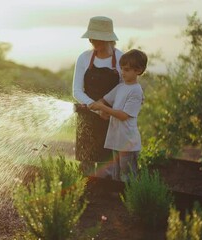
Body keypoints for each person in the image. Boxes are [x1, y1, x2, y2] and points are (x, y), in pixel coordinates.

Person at [73, 16, 124, 178]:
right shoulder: (84, 58)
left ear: (108, 39)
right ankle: (86, 199)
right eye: (91, 39)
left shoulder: (122, 59)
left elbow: (124, 89)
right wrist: (96, 108)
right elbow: (77, 91)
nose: (93, 42)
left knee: (107, 168)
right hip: (87, 117)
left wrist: (108, 110)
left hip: (111, 119)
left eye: (97, 39)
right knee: (85, 167)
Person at [88, 49, 147, 182]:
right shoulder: (121, 87)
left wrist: (103, 108)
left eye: (126, 70)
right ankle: (117, 200)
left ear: (138, 70)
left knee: (128, 176)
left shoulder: (136, 91)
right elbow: (105, 99)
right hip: (116, 140)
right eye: (122, 69)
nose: (122, 72)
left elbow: (123, 115)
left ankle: (129, 200)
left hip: (128, 142)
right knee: (116, 175)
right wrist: (97, 106)